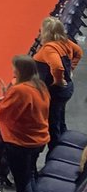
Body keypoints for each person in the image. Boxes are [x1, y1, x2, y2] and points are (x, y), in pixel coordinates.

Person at [0, 55, 49, 192]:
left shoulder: (20, 90)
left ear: (21, 71)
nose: (13, 71)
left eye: (15, 69)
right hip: (38, 139)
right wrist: (7, 96)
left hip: (22, 143)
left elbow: (3, 115)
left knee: (23, 183)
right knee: (30, 175)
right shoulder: (39, 86)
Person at [34, 16, 81, 149]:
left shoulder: (49, 48)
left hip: (56, 91)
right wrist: (71, 69)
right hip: (66, 89)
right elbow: (79, 52)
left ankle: (56, 149)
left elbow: (57, 67)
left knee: (53, 123)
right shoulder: (64, 42)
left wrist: (58, 81)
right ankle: (63, 141)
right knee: (60, 117)